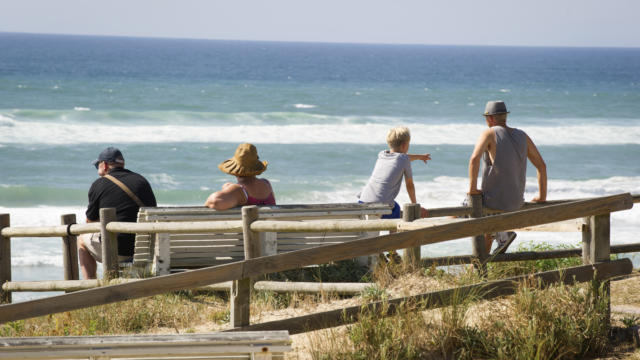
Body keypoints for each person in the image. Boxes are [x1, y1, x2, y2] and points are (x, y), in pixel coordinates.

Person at [468, 100, 547, 254]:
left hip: (494, 200)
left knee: (458, 213)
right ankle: (481, 267)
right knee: (488, 229)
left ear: (490, 118)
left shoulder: (490, 133)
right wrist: (542, 196)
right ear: (504, 116)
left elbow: (474, 159)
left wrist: (472, 188)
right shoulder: (522, 135)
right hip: (516, 201)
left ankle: (503, 235)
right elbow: (541, 166)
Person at [78, 147, 157, 279]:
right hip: (144, 249)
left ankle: (91, 287)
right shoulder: (141, 181)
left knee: (81, 239)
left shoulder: (99, 184)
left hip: (117, 251)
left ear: (105, 165)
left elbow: (90, 222)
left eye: (97, 165)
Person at [358, 126, 431, 219]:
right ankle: (393, 233)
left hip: (362, 201)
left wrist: (419, 157)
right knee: (396, 209)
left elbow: (401, 157)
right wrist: (415, 206)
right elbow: (409, 185)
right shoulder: (404, 159)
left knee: (393, 207)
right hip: (380, 206)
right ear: (404, 145)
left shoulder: (382, 154)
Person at [205, 143, 276, 210]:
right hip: (270, 222)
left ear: (234, 169)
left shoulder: (239, 190)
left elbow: (215, 201)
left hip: (247, 223)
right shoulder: (266, 184)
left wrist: (229, 189)